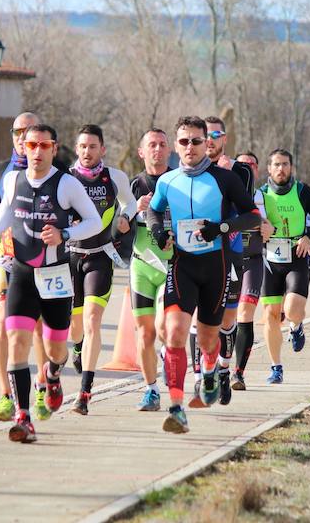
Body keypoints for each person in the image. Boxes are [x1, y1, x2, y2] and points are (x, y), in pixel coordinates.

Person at [0, 122, 103, 443]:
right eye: (30, 145)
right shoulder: (12, 179)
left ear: (54, 148)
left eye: (43, 146)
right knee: (18, 341)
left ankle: (52, 374)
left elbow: (94, 222)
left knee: (55, 349)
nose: (36, 151)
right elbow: (5, 219)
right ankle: (23, 417)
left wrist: (65, 234)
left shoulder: (66, 184)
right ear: (23, 147)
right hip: (21, 271)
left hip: (55, 275)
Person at [146, 116, 260, 433]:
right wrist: (157, 231)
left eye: (197, 141)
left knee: (209, 339)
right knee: (174, 332)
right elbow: (153, 209)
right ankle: (176, 407)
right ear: (177, 144)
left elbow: (252, 216)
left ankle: (210, 370)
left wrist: (221, 228)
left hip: (216, 267)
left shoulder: (225, 179)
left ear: (206, 142)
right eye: (184, 141)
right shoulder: (167, 181)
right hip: (182, 266)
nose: (191, 147)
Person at [0, 113, 50, 422]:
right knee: (2, 324)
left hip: (40, 258)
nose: (24, 138)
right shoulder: (1, 170)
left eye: (30, 132)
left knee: (37, 327)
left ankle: (40, 385)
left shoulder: (56, 170)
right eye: (18, 132)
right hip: (7, 254)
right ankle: (6, 395)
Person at [67, 124, 137, 415]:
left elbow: (130, 202)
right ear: (76, 149)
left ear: (102, 150)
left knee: (93, 320)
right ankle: (78, 347)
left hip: (100, 257)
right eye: (82, 146)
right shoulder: (66, 179)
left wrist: (125, 217)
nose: (87, 152)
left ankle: (85, 392)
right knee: (76, 325)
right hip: (71, 257)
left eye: (92, 146)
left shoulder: (115, 177)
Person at [197, 116, 256, 405]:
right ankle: (201, 375)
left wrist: (228, 172)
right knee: (200, 317)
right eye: (204, 135)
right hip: (198, 253)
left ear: (224, 138)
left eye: (215, 135)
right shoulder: (191, 170)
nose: (209, 140)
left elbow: (246, 209)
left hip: (230, 250)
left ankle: (223, 368)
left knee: (228, 318)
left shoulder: (241, 171)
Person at [259, 149, 310, 383]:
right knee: (270, 314)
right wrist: (261, 228)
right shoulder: (261, 195)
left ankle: (296, 326)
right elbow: (250, 222)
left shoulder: (301, 191)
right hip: (270, 259)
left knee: (291, 311)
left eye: (285, 164)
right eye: (276, 165)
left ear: (291, 167)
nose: (281, 169)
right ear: (269, 169)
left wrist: (309, 236)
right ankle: (276, 367)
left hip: (297, 256)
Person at [129, 128, 173, 411]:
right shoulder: (135, 185)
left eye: (162, 145)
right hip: (141, 265)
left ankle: (169, 351)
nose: (157, 149)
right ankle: (151, 390)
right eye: (151, 145)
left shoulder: (177, 183)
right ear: (141, 152)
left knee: (162, 328)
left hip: (171, 265)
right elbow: (117, 227)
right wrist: (134, 209)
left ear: (169, 151)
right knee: (144, 333)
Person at [231, 151, 273, 390]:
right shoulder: (224, 192)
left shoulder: (264, 197)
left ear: (257, 170)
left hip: (253, 260)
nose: (246, 168)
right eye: (241, 164)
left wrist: (268, 227)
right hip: (229, 260)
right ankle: (220, 364)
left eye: (250, 165)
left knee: (245, 312)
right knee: (225, 316)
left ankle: (239, 373)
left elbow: (274, 224)